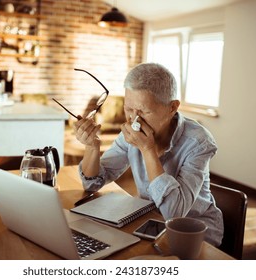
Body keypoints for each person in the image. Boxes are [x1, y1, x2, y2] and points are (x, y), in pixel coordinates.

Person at [73, 62, 223, 246]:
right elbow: (92, 183)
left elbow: (173, 213)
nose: (134, 120)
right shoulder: (131, 130)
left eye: (144, 111)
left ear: (172, 107)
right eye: (128, 109)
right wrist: (92, 147)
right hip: (150, 224)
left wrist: (147, 150)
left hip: (195, 235)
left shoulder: (198, 142)